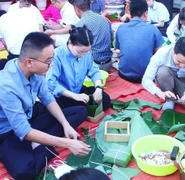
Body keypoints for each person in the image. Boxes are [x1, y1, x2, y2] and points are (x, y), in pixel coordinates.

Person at [0, 32, 91, 180]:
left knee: (80, 111)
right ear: (29, 61)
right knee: (25, 173)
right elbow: (22, 130)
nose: (51, 64)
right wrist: (67, 143)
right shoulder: (6, 86)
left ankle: (38, 141)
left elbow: (47, 98)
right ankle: (39, 142)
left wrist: (66, 125)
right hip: (8, 131)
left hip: (29, 115)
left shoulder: (37, 71)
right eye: (48, 61)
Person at [46, 26, 111, 112]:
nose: (83, 55)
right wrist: (73, 96)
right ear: (70, 43)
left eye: (86, 51)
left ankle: (80, 109)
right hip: (62, 95)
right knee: (61, 111)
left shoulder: (86, 54)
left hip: (78, 90)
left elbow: (94, 71)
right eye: (80, 51)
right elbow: (51, 84)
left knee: (105, 100)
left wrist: (98, 88)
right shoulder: (57, 55)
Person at [142, 37, 185, 112]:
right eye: (179, 61)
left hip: (184, 81)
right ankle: (170, 99)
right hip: (166, 78)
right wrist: (158, 92)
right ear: (173, 51)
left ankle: (177, 96)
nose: (182, 66)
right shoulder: (162, 53)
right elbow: (146, 79)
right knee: (162, 71)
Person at [115, 0, 164, 83]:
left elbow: (119, 49)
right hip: (145, 76)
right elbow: (159, 54)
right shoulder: (152, 29)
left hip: (124, 74)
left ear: (130, 13)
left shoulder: (121, 28)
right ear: (145, 13)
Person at [73, 0, 113, 72]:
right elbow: (112, 38)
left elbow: (77, 49)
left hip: (93, 66)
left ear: (77, 9)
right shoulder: (105, 20)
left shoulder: (80, 24)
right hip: (108, 63)